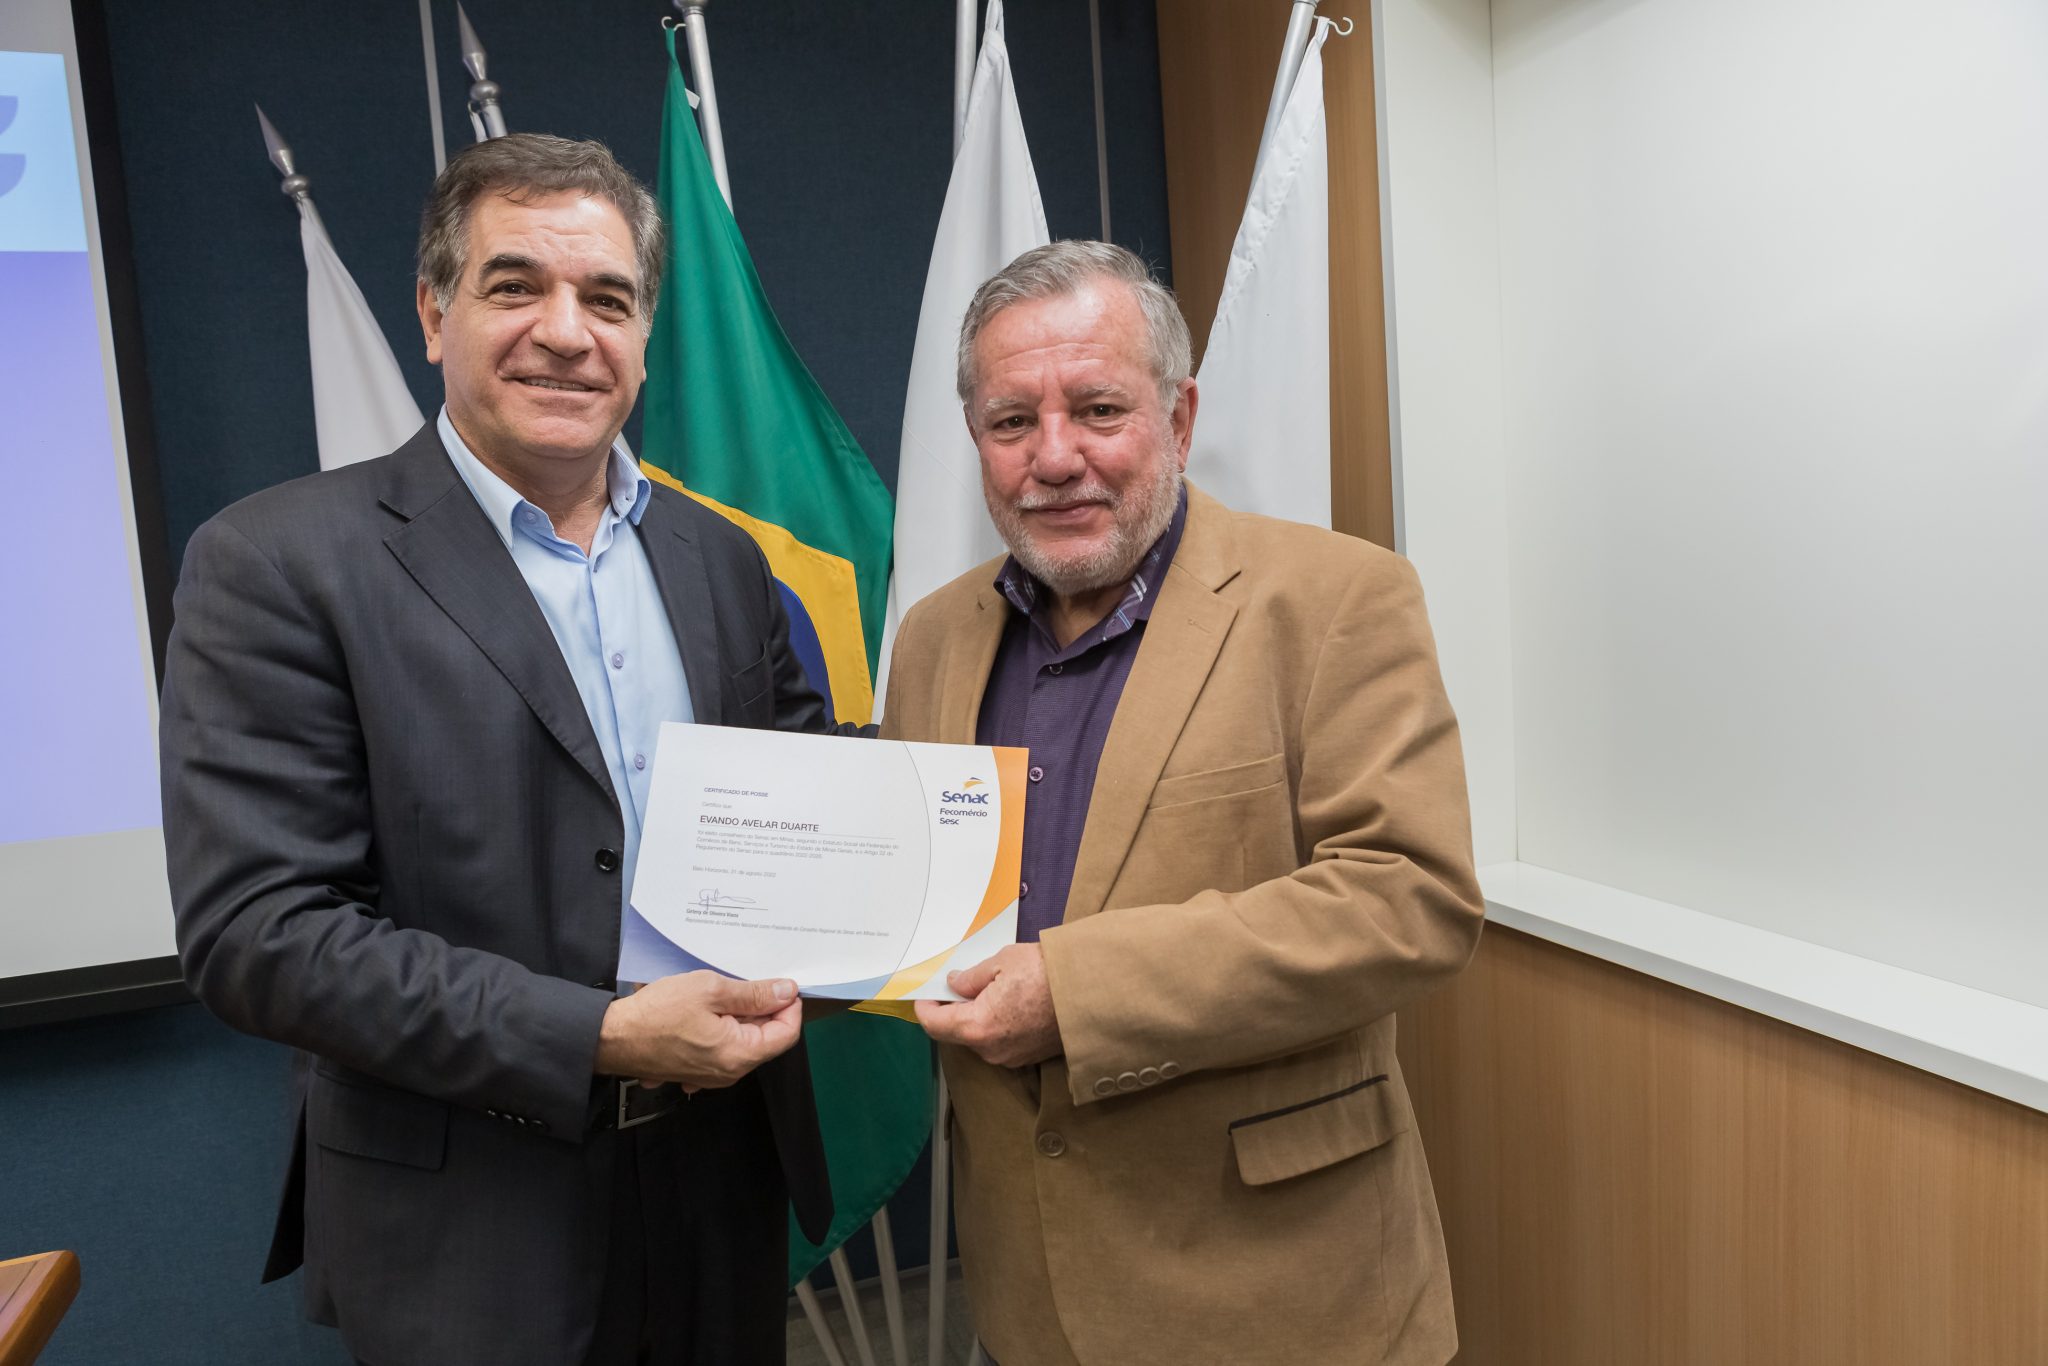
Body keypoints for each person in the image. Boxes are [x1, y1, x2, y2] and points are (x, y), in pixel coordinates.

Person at [160, 134, 835, 1365]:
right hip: (467, 1224)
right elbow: (260, 935)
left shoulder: (722, 559)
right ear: (434, 313)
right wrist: (599, 1037)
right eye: (515, 286)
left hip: (721, 1184)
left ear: (643, 336)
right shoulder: (277, 563)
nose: (566, 333)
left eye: (608, 299)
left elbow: (800, 808)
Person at [891, 241, 1486, 1365]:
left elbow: (1411, 901)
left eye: (1098, 409)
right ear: (974, 438)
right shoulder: (931, 637)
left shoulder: (1336, 599)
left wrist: (1077, 992)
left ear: (1177, 416)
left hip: (1283, 1290)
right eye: (1012, 421)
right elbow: (906, 897)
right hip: (1028, 1287)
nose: (1053, 457)